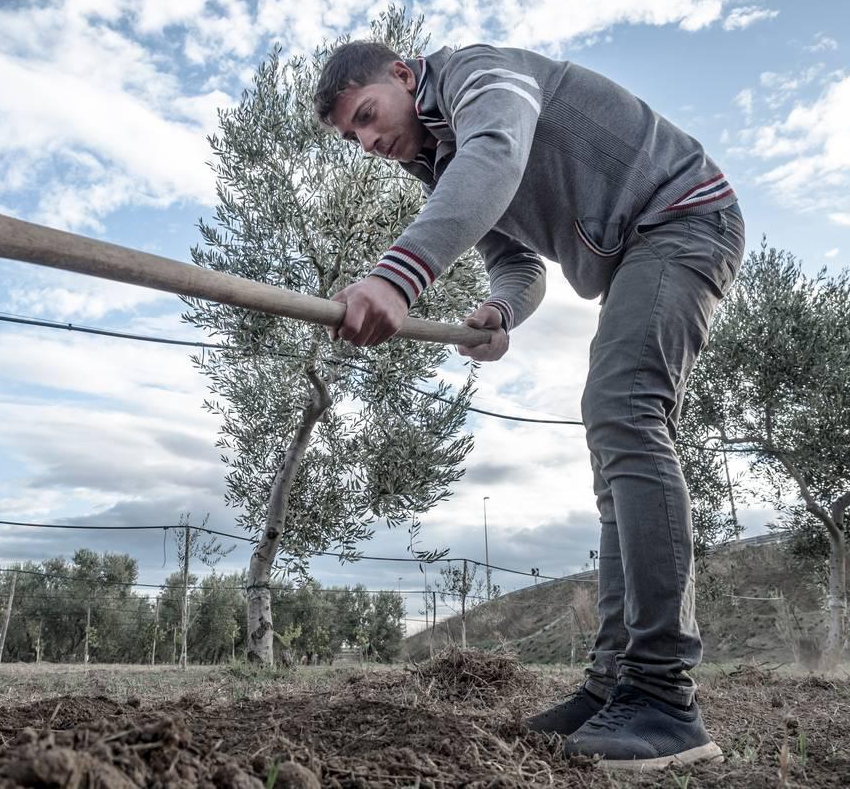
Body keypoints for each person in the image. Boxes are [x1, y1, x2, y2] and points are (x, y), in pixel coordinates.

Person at [314, 41, 744, 770]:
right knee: (615, 440)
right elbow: (516, 261)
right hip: (644, 246)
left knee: (625, 411)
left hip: (684, 217)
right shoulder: (443, 162)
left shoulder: (480, 75)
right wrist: (499, 311)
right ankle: (616, 683)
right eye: (352, 138)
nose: (368, 142)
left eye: (365, 116)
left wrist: (397, 276)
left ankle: (664, 696)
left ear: (402, 75)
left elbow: (500, 153)